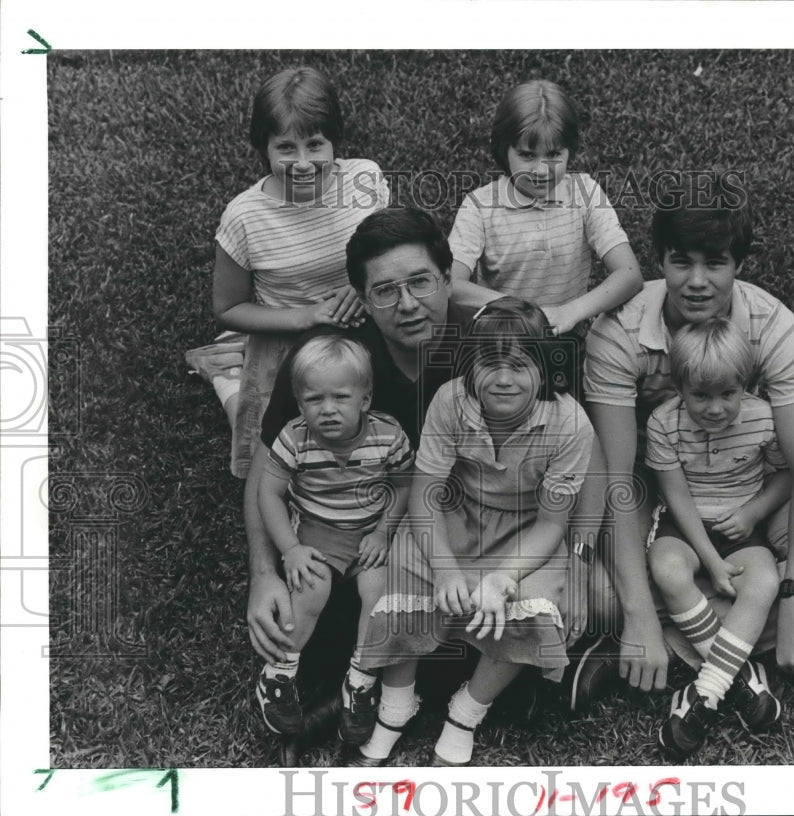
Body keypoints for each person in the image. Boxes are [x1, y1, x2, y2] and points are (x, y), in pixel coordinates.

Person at [582, 174, 794, 695]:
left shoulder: (773, 325)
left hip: (752, 481)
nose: (697, 281)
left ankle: (680, 641)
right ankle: (768, 622)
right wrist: (636, 611)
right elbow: (615, 476)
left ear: (739, 264)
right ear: (660, 260)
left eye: (715, 263)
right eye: (682, 262)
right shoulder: (618, 331)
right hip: (657, 486)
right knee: (596, 596)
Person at [244, 207, 469, 758]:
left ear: (448, 278)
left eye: (420, 282)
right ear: (363, 299)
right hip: (336, 528)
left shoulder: (482, 347)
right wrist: (263, 574)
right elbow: (265, 469)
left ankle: (365, 698)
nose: (407, 304)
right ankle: (334, 696)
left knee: (446, 610)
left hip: (436, 527)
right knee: (313, 604)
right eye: (385, 291)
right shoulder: (329, 359)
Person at [350, 298, 595, 767]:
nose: (503, 379)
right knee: (405, 573)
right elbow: (425, 495)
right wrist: (445, 570)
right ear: (470, 366)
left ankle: (466, 713)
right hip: (454, 513)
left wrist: (503, 576)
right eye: (489, 364)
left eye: (519, 366)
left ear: (545, 369)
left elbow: (551, 524)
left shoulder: (570, 424)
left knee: (534, 601)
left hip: (526, 531)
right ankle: (395, 706)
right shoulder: (450, 401)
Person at [186, 66, 389, 478]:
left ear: (334, 141)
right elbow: (228, 308)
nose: (303, 163)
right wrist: (305, 317)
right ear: (264, 147)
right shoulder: (245, 217)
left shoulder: (364, 180)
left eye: (315, 145)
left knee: (377, 421)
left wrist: (363, 288)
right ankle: (231, 386)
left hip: (361, 319)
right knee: (279, 445)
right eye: (286, 148)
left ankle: (233, 372)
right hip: (286, 335)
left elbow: (387, 252)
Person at [644, 318, 790, 761]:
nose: (715, 408)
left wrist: (752, 513)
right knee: (668, 569)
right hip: (684, 525)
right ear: (679, 388)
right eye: (701, 396)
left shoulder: (763, 417)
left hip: (741, 524)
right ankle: (737, 679)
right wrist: (709, 559)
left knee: (764, 581)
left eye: (728, 394)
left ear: (745, 385)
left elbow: (786, 475)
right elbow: (675, 496)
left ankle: (702, 695)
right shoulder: (663, 422)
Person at [254, 335, 412, 740]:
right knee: (311, 587)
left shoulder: (388, 435)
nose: (327, 409)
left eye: (341, 397)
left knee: (379, 592)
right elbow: (268, 494)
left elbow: (404, 485)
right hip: (315, 530)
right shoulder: (294, 438)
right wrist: (290, 549)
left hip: (369, 532)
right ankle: (279, 673)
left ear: (365, 398)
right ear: (299, 402)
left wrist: (383, 531)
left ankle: (361, 679)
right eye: (314, 399)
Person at [448, 79, 643, 348]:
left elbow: (629, 274)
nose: (541, 170)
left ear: (570, 150)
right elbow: (451, 285)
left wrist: (570, 312)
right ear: (504, 150)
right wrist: (525, 312)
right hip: (502, 342)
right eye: (527, 155)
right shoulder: (479, 207)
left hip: (567, 336)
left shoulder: (585, 193)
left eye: (553, 154)